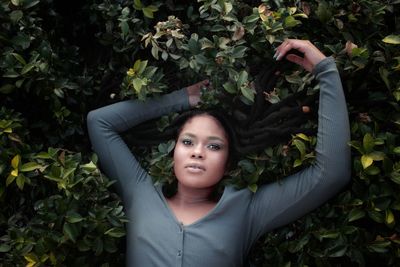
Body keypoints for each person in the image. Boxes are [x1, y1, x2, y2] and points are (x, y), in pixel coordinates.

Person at [87, 39, 351, 267]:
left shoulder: (246, 209)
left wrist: (325, 71)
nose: (198, 153)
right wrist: (180, 98)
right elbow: (99, 122)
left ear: (227, 163)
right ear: (173, 152)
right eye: (188, 142)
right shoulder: (140, 192)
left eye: (214, 146)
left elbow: (331, 175)